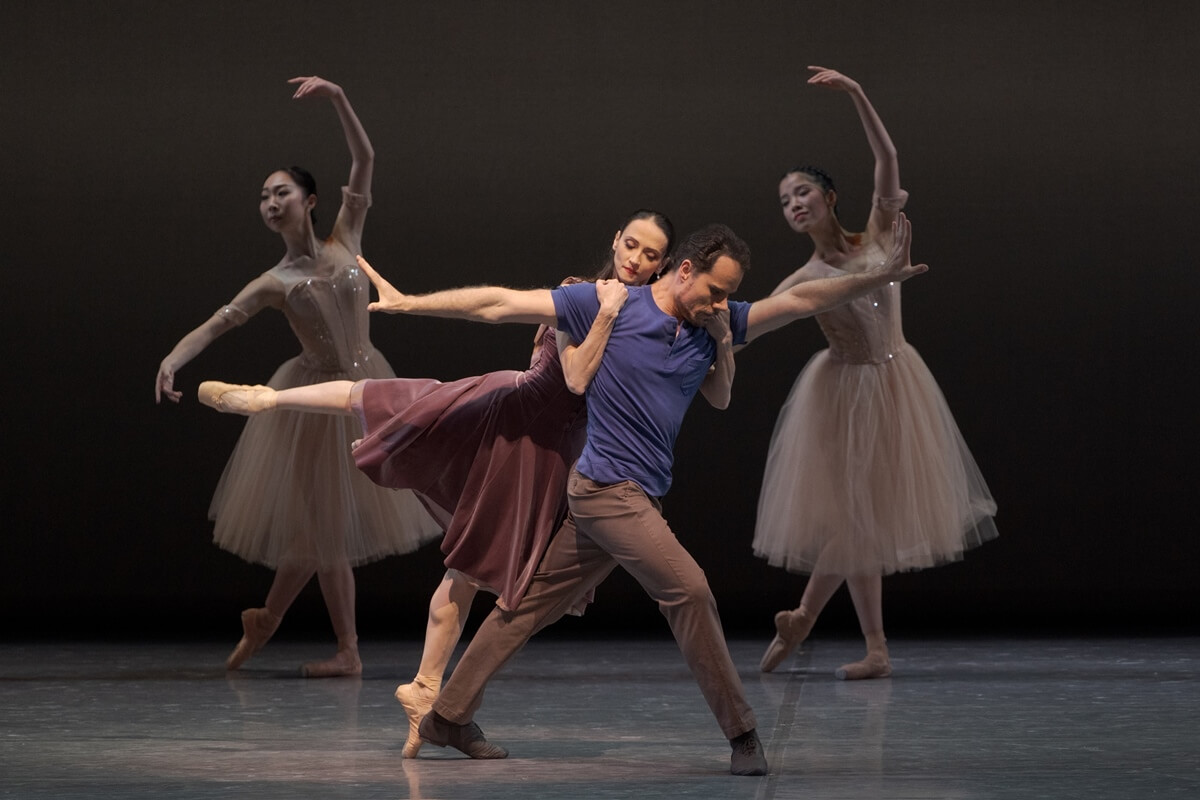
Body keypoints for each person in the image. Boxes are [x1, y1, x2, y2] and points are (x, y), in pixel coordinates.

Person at [349, 217, 926, 776]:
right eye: (715, 290)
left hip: (626, 496)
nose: (721, 303)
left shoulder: (714, 326)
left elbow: (799, 302)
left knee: (522, 608)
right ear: (684, 270)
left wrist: (880, 276)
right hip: (606, 491)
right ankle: (742, 732)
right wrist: (408, 303)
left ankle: (447, 717)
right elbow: (499, 303)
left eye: (729, 295)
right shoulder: (611, 303)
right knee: (690, 592)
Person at [198, 210, 678, 757]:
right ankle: (269, 399)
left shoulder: (645, 320)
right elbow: (555, 359)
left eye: (650, 255)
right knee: (401, 416)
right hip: (520, 425)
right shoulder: (585, 296)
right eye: (631, 245)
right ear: (615, 240)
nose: (635, 260)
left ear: (664, 265)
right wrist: (606, 314)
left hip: (551, 450)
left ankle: (431, 700)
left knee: (470, 560)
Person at [155, 76, 440, 678]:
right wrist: (174, 359)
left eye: (280, 191)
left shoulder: (347, 236)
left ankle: (267, 619)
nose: (269, 202)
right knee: (327, 530)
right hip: (312, 402)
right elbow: (216, 324)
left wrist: (338, 98)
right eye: (263, 196)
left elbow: (365, 158)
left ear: (309, 200)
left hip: (366, 385)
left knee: (320, 533)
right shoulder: (273, 282)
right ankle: (348, 651)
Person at [753, 67, 999, 680]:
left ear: (829, 197)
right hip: (841, 395)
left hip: (895, 382)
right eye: (784, 201)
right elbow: (753, 321)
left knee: (859, 520)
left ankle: (825, 626)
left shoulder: (879, 240)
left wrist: (858, 94)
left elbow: (887, 159)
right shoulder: (803, 280)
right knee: (855, 520)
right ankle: (859, 640)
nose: (794, 204)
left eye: (802, 192)